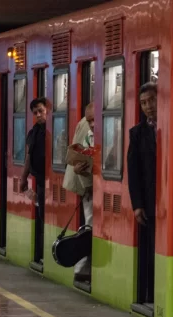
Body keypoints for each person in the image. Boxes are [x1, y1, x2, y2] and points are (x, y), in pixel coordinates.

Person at [127, 82, 157, 304]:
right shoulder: (137, 134)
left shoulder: (172, 124)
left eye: (151, 101)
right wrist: (137, 204)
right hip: (147, 201)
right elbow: (133, 171)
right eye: (144, 103)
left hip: (165, 199)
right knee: (149, 247)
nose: (148, 106)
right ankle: (149, 293)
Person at [62, 103, 95, 282]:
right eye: (90, 121)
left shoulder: (89, 122)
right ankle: (82, 267)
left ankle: (83, 267)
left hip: (88, 184)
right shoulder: (89, 127)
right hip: (88, 186)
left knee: (89, 224)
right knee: (89, 225)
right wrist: (80, 172)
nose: (92, 123)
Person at [20, 98, 48, 261]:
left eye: (41, 111)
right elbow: (29, 156)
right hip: (40, 181)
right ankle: (42, 253)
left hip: (50, 179)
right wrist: (24, 178)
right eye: (35, 113)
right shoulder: (34, 132)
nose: (38, 115)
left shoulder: (53, 130)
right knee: (42, 214)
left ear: (47, 110)